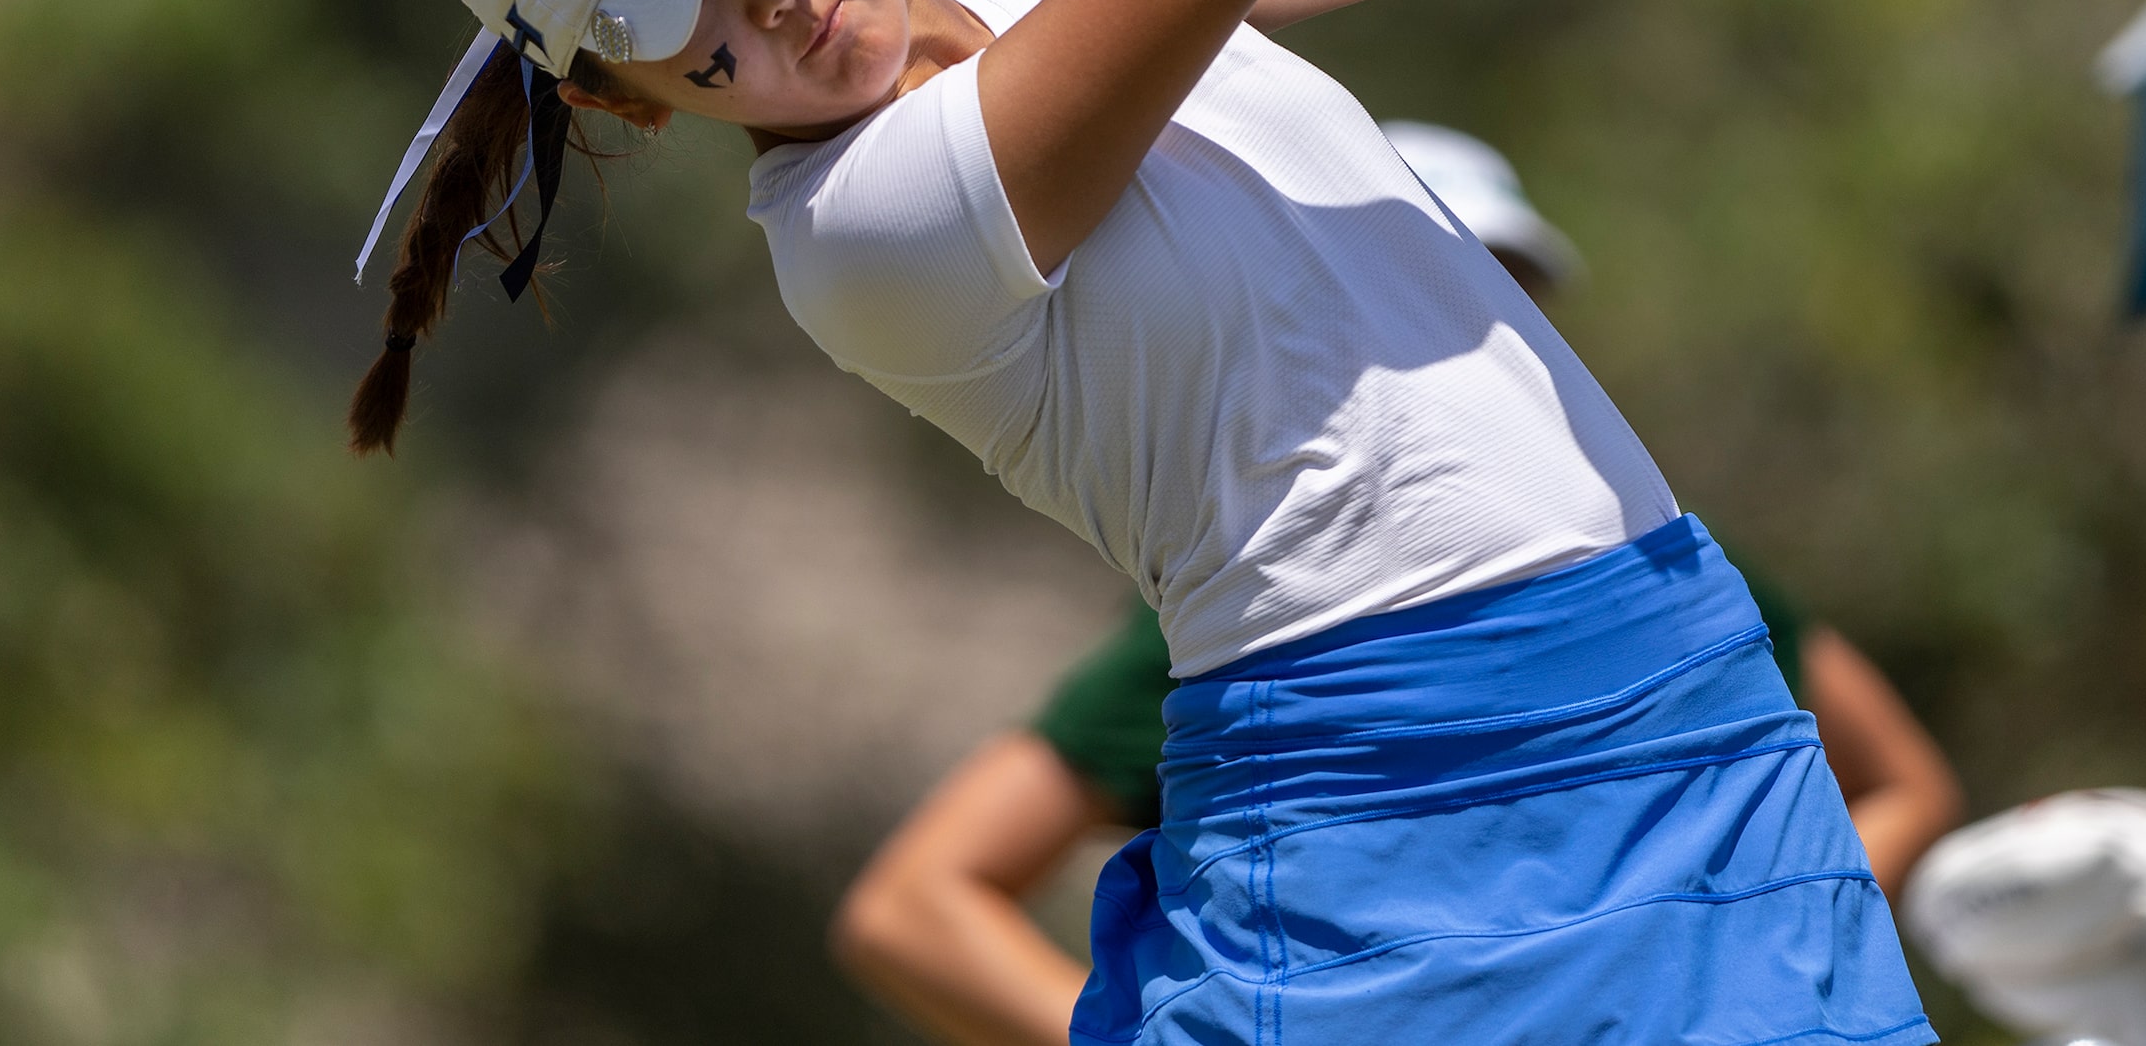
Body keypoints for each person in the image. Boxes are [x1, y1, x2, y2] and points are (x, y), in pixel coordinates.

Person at [352, 0, 1933, 1046]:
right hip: (1389, 800)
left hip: (1677, 685)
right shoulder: (865, 232)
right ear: (636, 98)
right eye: (697, 26)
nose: (780, 0)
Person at [835, 126, 1966, 1046]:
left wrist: (1725, 941)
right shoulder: (1244, 646)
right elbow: (917, 905)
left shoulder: (1673, 580)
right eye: (1444, 285)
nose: (1474, 332)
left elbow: (1901, 783)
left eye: (1505, 294)